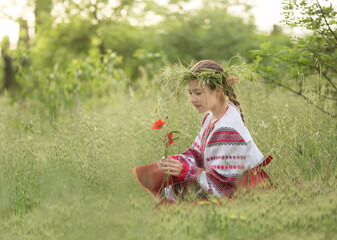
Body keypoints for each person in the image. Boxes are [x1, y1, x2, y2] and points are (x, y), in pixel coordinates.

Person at [133, 59, 272, 203]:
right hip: (225, 185)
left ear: (218, 90)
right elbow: (197, 153)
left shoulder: (227, 128)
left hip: (241, 191)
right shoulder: (212, 116)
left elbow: (224, 186)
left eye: (198, 93)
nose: (192, 99)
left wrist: (186, 171)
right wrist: (176, 162)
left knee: (176, 212)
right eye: (190, 93)